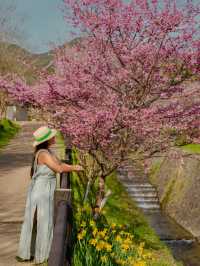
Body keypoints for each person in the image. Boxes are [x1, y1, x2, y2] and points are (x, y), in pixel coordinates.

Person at [16, 126, 83, 264]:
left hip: (44, 189)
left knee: (42, 220)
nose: (54, 137)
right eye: (52, 136)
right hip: (41, 191)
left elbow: (59, 163)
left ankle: (36, 252)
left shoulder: (47, 152)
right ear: (47, 140)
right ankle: (42, 255)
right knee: (42, 220)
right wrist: (74, 168)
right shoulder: (44, 154)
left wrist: (69, 165)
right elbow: (58, 168)